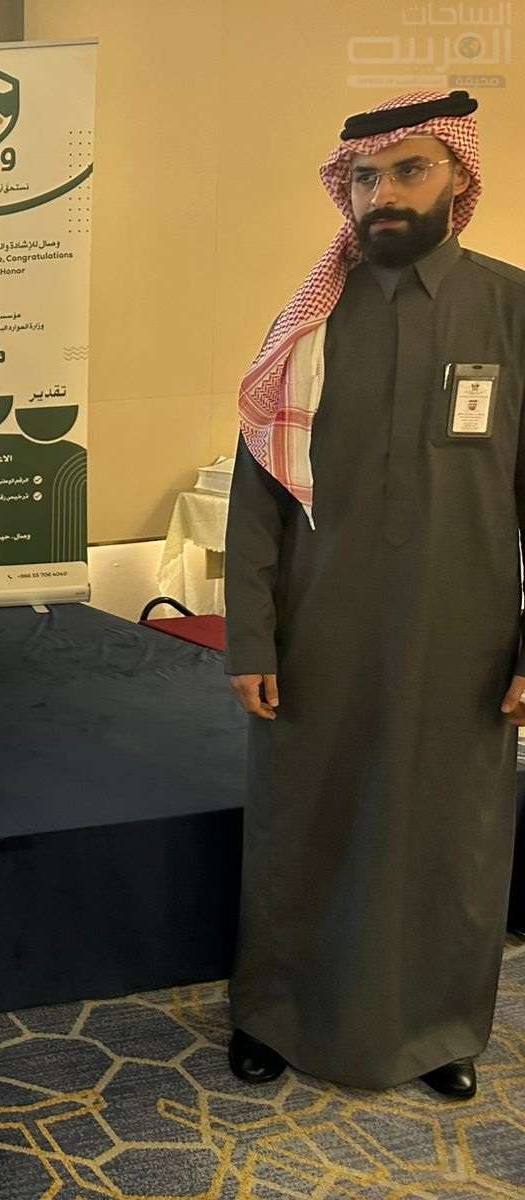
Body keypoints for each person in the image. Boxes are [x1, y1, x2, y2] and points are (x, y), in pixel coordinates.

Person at [224, 90, 525, 1100]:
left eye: (408, 171)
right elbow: (258, 500)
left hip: (462, 639)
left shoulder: (511, 309)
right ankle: (274, 1014)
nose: (382, 194)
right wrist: (250, 641)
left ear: (458, 178)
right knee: (301, 821)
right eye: (364, 177)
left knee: (448, 835)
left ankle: (439, 1029)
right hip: (320, 634)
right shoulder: (306, 324)